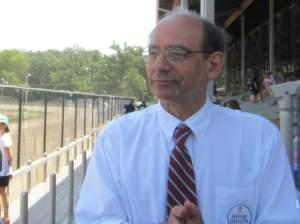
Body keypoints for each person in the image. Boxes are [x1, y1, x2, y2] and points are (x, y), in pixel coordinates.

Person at [76, 8, 300, 224]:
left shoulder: (259, 139)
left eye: (176, 54)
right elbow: (96, 218)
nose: (159, 66)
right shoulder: (117, 139)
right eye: (153, 53)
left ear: (213, 65)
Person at [0, 114, 12, 224]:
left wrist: (10, 171)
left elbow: (10, 157)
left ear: (4, 125)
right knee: (2, 193)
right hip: (2, 171)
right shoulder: (2, 137)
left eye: (1, 123)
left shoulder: (5, 138)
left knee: (3, 192)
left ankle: (6, 216)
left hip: (2, 172)